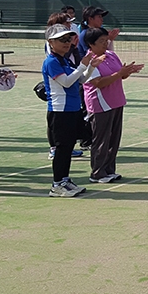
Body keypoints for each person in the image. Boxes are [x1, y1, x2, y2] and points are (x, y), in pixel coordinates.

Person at [43, 24, 103, 196]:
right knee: (62, 149)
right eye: (62, 40)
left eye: (68, 39)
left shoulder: (64, 60)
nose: (67, 42)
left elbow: (81, 80)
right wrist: (83, 66)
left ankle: (64, 179)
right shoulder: (51, 61)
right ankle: (57, 185)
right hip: (60, 111)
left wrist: (90, 66)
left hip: (72, 109)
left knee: (68, 147)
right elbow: (67, 82)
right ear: (51, 42)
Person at [82, 26, 143, 183]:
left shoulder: (110, 55)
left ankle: (109, 170)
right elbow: (99, 83)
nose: (105, 44)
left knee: (114, 139)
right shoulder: (90, 61)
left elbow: (119, 76)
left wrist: (127, 72)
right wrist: (120, 74)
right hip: (100, 104)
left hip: (116, 101)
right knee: (101, 139)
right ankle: (97, 173)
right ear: (90, 44)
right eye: (101, 41)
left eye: (106, 40)